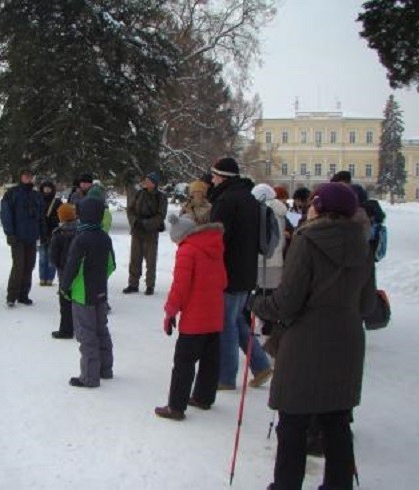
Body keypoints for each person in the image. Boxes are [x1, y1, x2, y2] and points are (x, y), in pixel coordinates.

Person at [252, 182, 376, 490]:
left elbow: (287, 301)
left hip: (305, 342)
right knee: (337, 421)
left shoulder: (308, 241)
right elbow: (367, 304)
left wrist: (257, 303)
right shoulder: (362, 243)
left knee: (293, 420)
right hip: (346, 341)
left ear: (319, 206)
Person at [154, 211, 226, 421]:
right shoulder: (214, 245)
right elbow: (223, 280)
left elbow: (180, 287)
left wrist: (170, 311)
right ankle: (204, 397)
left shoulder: (188, 250)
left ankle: (176, 407)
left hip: (195, 317)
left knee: (184, 361)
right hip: (214, 313)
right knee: (210, 359)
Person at [208, 157, 272, 390]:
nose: (212, 179)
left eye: (214, 175)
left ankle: (226, 377)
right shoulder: (249, 198)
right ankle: (261, 364)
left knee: (226, 323)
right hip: (246, 271)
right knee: (236, 319)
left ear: (223, 177)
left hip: (229, 271)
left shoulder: (226, 201)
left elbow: (217, 239)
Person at [60, 198, 116, 388]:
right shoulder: (104, 237)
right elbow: (111, 265)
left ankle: (90, 377)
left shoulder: (81, 239)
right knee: (102, 330)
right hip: (100, 292)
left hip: (82, 294)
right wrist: (100, 278)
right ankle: (105, 369)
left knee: (86, 334)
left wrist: (65, 287)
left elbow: (72, 267)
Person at [0, 167, 45, 306]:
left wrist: (42, 233)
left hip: (31, 236)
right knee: (18, 266)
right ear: (20, 177)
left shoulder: (36, 195)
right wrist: (10, 233)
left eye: (30, 176)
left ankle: (23, 294)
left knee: (29, 266)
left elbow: (41, 216)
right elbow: (5, 214)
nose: (27, 178)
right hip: (17, 236)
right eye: (25, 176)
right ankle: (11, 296)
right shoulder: (12, 194)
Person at [123, 172, 167, 296]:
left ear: (154, 183)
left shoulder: (161, 197)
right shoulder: (139, 194)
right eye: (145, 180)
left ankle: (150, 285)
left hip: (151, 232)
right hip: (137, 230)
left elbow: (161, 215)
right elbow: (130, 209)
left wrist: (147, 224)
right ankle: (133, 284)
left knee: (151, 260)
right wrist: (134, 222)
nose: (145, 182)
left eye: (148, 180)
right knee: (135, 258)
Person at [49, 203, 79, 339]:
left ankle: (66, 330)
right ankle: (82, 327)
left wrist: (56, 264)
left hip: (64, 271)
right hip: (79, 271)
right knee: (79, 300)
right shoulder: (81, 230)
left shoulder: (59, 233)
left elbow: (53, 256)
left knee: (65, 301)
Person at [39, 180, 63, 286]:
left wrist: (53, 220)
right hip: (41, 232)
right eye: (45, 187)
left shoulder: (57, 202)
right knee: (42, 257)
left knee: (51, 256)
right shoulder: (38, 200)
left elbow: (61, 217)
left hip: (53, 232)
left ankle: (50, 278)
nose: (47, 189)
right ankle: (42, 277)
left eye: (49, 188)